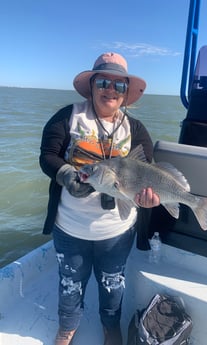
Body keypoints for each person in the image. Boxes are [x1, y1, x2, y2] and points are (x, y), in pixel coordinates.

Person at [39, 52, 160, 345]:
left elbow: (149, 172)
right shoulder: (68, 116)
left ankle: (110, 327)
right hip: (70, 227)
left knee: (112, 283)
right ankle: (67, 327)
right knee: (70, 284)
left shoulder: (136, 129)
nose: (110, 90)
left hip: (116, 231)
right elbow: (47, 156)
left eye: (119, 86)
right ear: (92, 85)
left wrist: (149, 199)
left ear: (125, 94)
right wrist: (67, 174)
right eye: (104, 81)